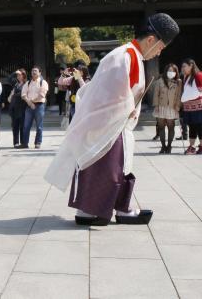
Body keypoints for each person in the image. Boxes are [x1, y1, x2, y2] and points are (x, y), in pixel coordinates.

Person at [45, 13, 180, 226]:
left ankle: (113, 208)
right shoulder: (124, 56)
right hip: (109, 123)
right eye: (161, 47)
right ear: (152, 40)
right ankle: (95, 210)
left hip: (114, 122)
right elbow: (108, 94)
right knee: (111, 168)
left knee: (115, 167)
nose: (159, 52)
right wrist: (129, 107)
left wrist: (129, 107)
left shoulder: (130, 55)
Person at [180, 59, 202, 155]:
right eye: (182, 67)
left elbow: (201, 90)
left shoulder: (198, 75)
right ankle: (192, 146)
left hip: (198, 106)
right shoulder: (186, 76)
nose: (183, 69)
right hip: (189, 106)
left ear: (191, 66)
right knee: (192, 127)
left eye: (185, 66)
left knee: (200, 127)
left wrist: (185, 98)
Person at [152, 63, 181, 154]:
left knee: (171, 127)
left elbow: (179, 95)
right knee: (161, 127)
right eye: (169, 70)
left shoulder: (178, 82)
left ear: (176, 72)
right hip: (161, 106)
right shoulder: (160, 81)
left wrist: (178, 106)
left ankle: (169, 146)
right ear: (166, 71)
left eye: (173, 71)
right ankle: (163, 146)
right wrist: (156, 105)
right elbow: (156, 94)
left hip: (172, 107)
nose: (171, 72)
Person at [20, 66, 49, 149]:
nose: (34, 72)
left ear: (40, 73)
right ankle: (25, 143)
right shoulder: (28, 83)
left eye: (35, 71)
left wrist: (32, 101)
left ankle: (38, 142)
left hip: (39, 105)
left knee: (39, 126)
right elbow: (23, 94)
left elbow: (42, 94)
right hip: (29, 106)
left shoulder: (43, 82)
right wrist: (30, 103)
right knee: (26, 126)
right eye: (32, 71)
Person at [8, 69, 28, 148]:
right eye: (18, 75)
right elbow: (9, 79)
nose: (18, 76)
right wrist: (15, 72)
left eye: (20, 75)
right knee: (15, 126)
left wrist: (14, 94)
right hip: (14, 107)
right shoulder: (16, 84)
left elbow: (22, 94)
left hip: (22, 107)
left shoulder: (26, 84)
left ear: (24, 75)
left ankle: (23, 142)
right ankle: (15, 142)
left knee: (22, 126)